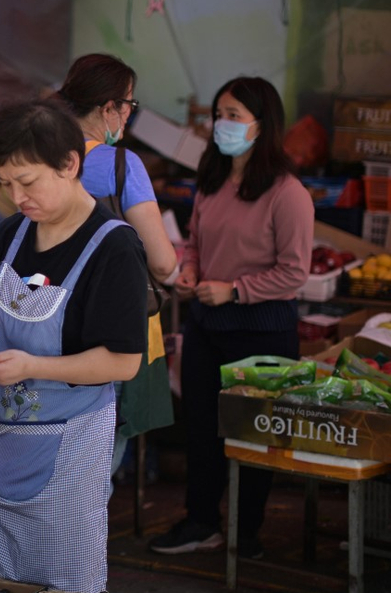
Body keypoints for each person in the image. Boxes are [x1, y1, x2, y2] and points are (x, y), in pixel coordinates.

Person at [0, 98, 148, 592]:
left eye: (27, 182)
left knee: (62, 578)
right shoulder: (12, 233)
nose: (16, 195)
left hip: (69, 447)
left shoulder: (113, 248)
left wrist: (33, 365)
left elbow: (124, 361)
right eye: (5, 183)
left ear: (70, 165)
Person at [147, 77, 313, 560]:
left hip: (262, 333)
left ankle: (248, 534)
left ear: (263, 124)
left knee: (254, 437)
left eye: (234, 115)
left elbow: (294, 272)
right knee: (201, 430)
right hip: (205, 326)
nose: (222, 124)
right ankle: (202, 522)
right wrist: (192, 269)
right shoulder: (213, 182)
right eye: (219, 113)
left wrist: (236, 290)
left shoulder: (288, 194)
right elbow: (195, 242)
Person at [58, 53, 177, 490]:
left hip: (48, 322)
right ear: (108, 108)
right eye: (129, 104)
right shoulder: (120, 164)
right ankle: (75, 552)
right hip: (113, 332)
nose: (129, 114)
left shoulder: (45, 160)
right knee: (94, 470)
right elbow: (163, 261)